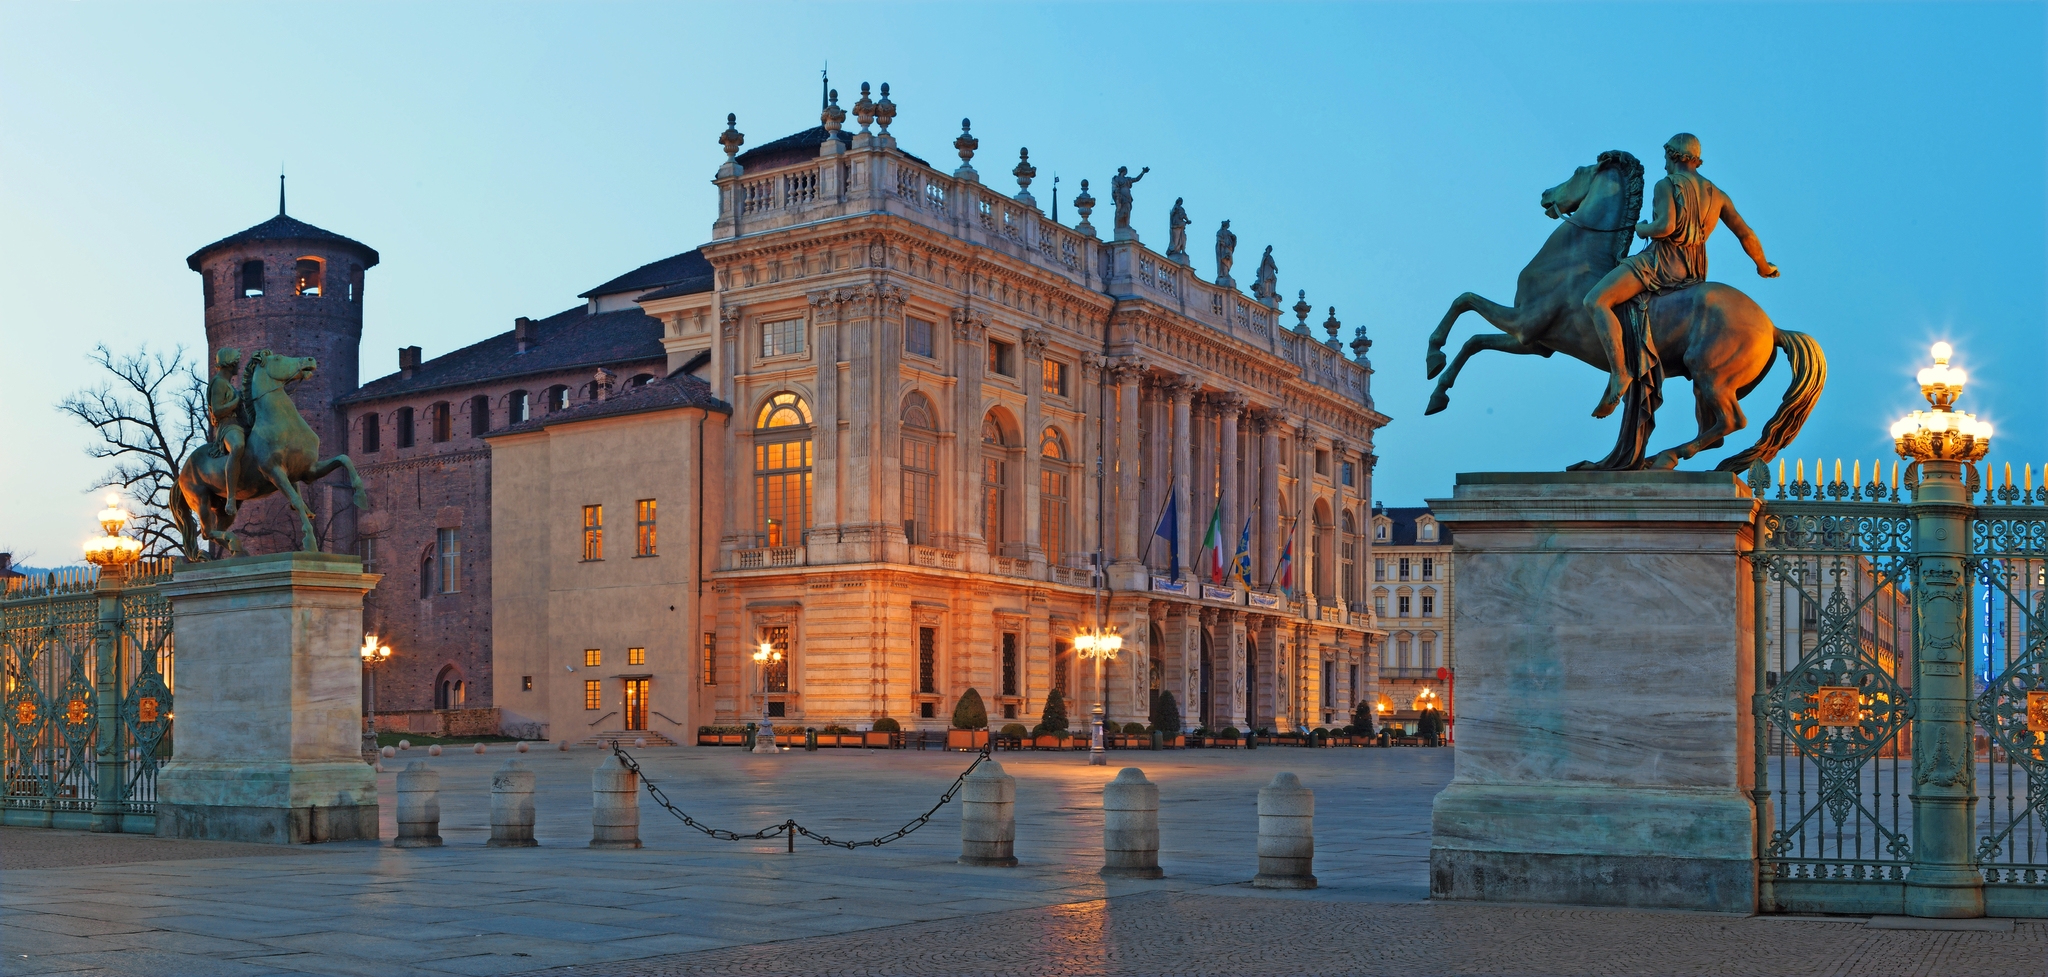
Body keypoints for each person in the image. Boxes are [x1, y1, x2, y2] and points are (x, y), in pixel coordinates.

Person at [1581, 133, 1778, 418]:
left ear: (1674, 156)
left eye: (1665, 158)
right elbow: (1745, 233)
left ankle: (1619, 372)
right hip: (1693, 271)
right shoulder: (1717, 194)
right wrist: (1762, 265)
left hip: (1661, 265)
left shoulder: (1667, 185)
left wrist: (1642, 229)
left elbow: (1665, 227)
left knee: (1596, 300)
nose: (1663, 165)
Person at [206, 347, 247, 514]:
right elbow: (217, 410)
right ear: (230, 364)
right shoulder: (218, 383)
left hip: (239, 424)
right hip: (227, 427)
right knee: (237, 446)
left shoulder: (228, 385)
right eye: (237, 362)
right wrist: (236, 402)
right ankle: (231, 497)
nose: (239, 366)